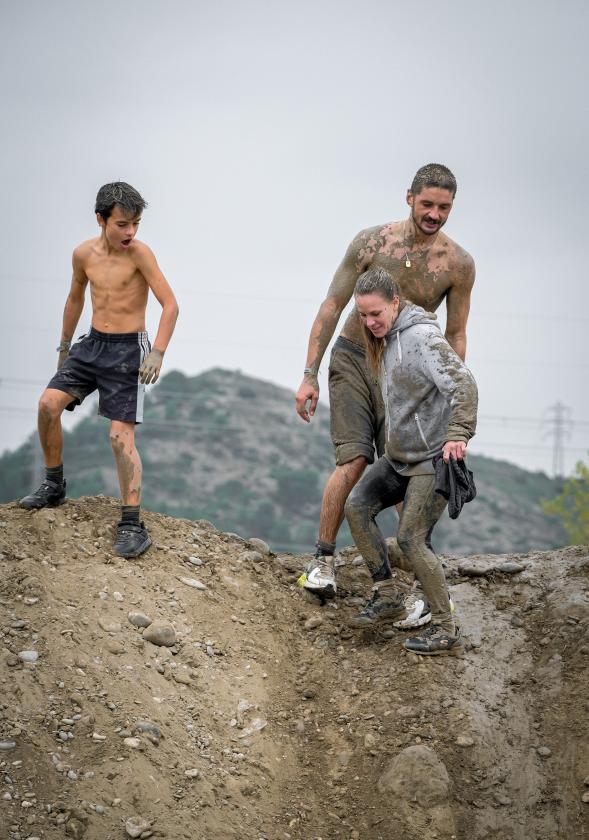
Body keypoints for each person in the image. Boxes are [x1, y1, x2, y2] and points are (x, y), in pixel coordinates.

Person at [295, 163, 474, 603]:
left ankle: (419, 582)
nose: (434, 214)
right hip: (355, 357)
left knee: (405, 466)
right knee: (355, 460)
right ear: (409, 197)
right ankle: (322, 561)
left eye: (444, 207)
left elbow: (455, 336)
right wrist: (308, 374)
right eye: (427, 203)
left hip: (404, 371)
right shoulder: (372, 242)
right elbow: (333, 304)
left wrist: (445, 397)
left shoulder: (458, 264)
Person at [19, 182, 179, 558]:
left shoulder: (141, 254)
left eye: (136, 223)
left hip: (128, 350)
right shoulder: (82, 255)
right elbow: (75, 298)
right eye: (123, 224)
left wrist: (157, 352)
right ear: (100, 219)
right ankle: (54, 484)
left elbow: (170, 304)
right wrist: (63, 347)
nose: (131, 232)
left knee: (119, 438)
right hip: (91, 346)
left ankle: (131, 523)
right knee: (47, 405)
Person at [344, 267, 477, 655]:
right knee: (357, 506)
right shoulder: (384, 339)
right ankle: (386, 595)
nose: (369, 323)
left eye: (376, 314)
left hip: (431, 459)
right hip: (399, 458)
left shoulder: (422, 337)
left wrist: (458, 433)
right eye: (363, 315)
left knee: (410, 539)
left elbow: (464, 383)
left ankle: (444, 626)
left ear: (395, 304)